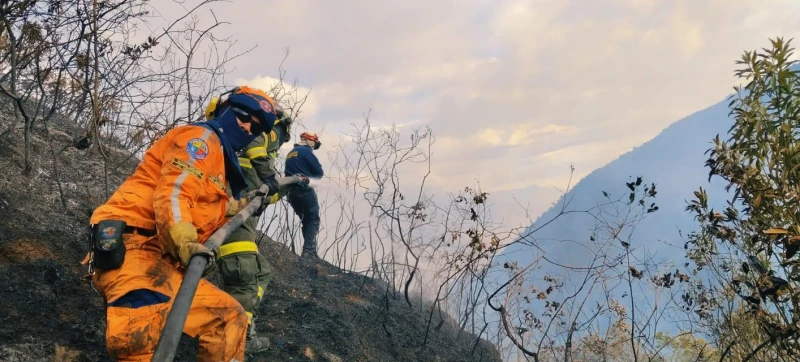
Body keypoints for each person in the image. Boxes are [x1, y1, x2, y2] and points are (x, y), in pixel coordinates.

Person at [83, 85, 278, 361]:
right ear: (223, 109)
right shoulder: (200, 139)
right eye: (244, 116)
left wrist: (251, 202)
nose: (248, 128)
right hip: (137, 248)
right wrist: (186, 242)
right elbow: (175, 192)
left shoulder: (217, 166)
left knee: (228, 318)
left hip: (168, 263)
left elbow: (212, 207)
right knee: (138, 344)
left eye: (256, 127)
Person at [204, 100, 294, 352]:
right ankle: (231, 342)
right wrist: (269, 173)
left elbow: (267, 196)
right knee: (243, 275)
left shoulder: (249, 156)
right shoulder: (260, 137)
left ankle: (243, 325)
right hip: (234, 218)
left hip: (242, 216)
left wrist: (287, 185)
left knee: (262, 272)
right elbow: (256, 150)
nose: (278, 140)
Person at [284, 131, 324, 258]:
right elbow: (319, 172)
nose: (314, 146)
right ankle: (309, 252)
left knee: (305, 219)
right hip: (304, 190)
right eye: (314, 143)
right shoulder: (306, 151)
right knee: (312, 219)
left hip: (291, 193)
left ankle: (309, 251)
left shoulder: (291, 153)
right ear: (310, 140)